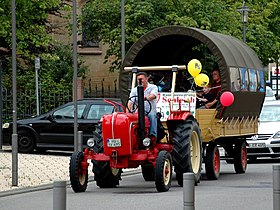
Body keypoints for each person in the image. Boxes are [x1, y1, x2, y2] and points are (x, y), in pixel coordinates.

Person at [128, 72, 158, 140]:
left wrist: (146, 98)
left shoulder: (153, 87)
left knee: (152, 115)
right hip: (138, 111)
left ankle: (152, 135)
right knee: (132, 118)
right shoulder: (135, 90)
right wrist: (128, 113)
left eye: (141, 79)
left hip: (150, 110)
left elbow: (153, 96)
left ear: (146, 79)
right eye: (138, 79)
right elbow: (130, 102)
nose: (140, 81)